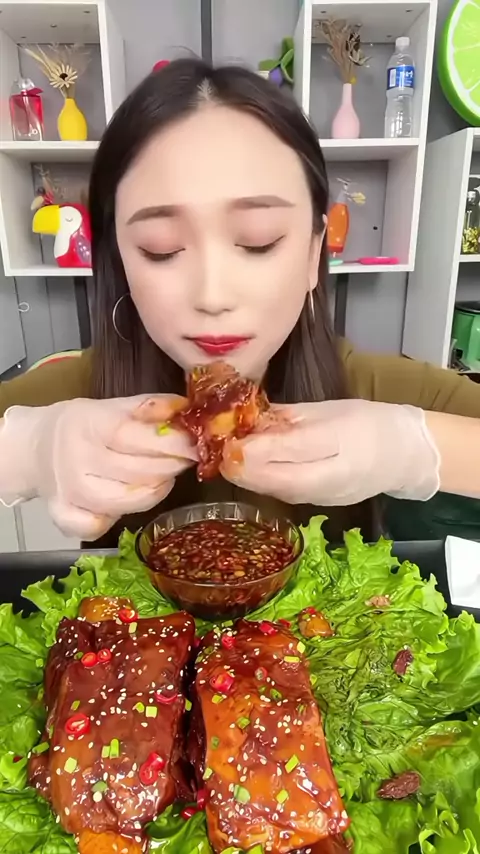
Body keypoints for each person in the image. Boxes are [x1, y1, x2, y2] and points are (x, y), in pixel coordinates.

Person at [0, 58, 479, 547]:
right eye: (160, 248)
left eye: (258, 241)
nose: (213, 296)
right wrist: (24, 450)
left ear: (313, 251)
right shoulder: (80, 389)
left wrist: (411, 448)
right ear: (120, 258)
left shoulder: (372, 387)